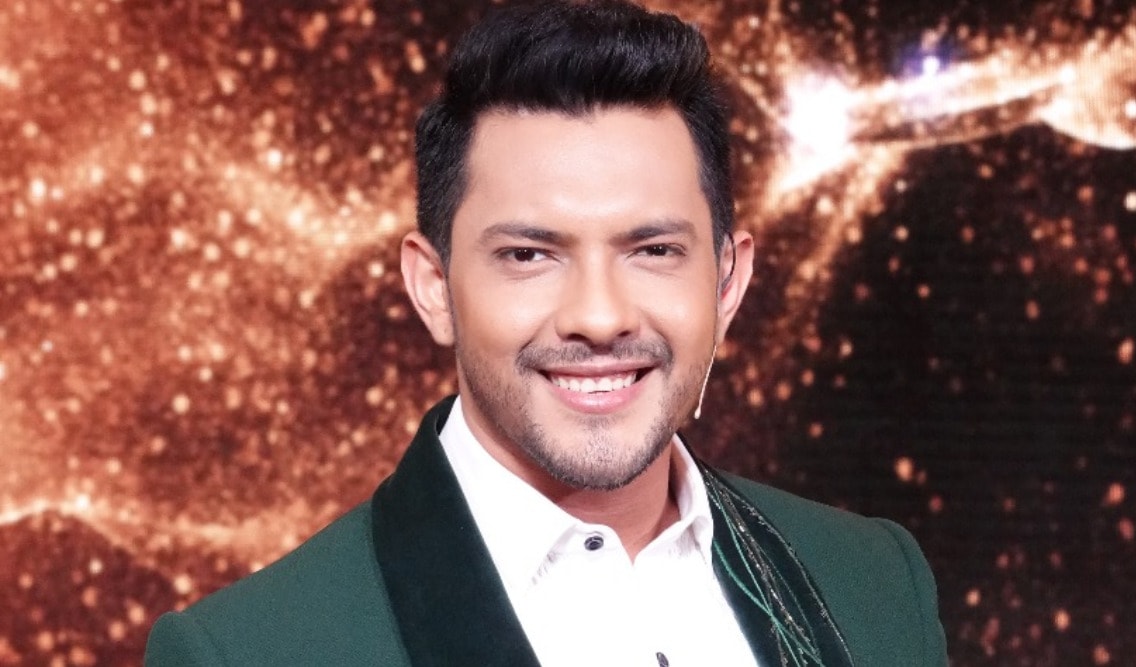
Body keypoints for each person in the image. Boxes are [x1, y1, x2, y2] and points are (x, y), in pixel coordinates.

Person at [145, 1, 948, 665]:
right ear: (433, 287)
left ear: (727, 283)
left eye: (654, 250)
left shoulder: (873, 582)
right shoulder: (247, 649)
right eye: (529, 255)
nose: (598, 316)